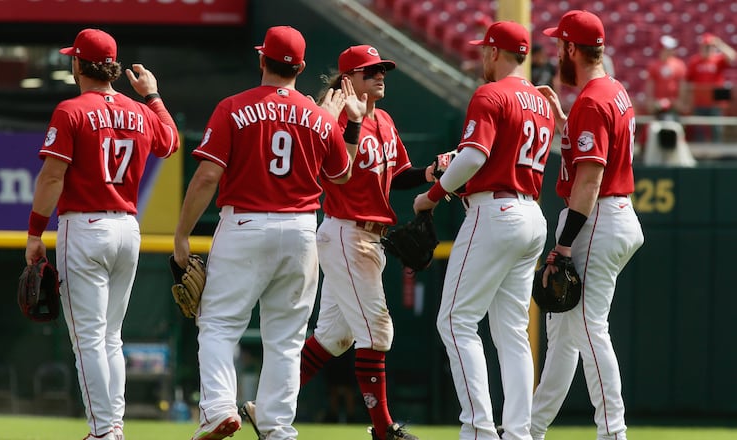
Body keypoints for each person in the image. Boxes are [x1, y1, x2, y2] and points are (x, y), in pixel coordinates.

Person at [172, 25, 362, 440]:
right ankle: (277, 427)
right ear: (303, 67)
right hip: (299, 230)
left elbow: (206, 176)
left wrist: (183, 233)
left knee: (220, 324)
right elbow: (342, 175)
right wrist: (336, 125)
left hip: (244, 224)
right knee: (288, 337)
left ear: (262, 60)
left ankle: (219, 408)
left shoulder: (233, 107)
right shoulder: (318, 116)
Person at [242, 43, 433, 440]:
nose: (381, 75)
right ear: (349, 80)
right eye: (370, 71)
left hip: (369, 238)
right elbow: (329, 171)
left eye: (382, 69)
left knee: (335, 337)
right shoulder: (335, 120)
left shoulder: (385, 121)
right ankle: (383, 429)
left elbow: (396, 175)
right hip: (347, 232)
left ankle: (266, 407)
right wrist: (350, 124)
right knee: (378, 333)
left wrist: (431, 172)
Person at [24, 28, 180, 440]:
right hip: (128, 229)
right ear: (112, 67)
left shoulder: (72, 110)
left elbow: (52, 177)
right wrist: (153, 95)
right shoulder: (141, 111)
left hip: (85, 227)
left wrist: (34, 232)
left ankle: (103, 431)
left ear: (77, 64)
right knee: (111, 337)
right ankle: (114, 426)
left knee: (89, 340)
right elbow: (170, 143)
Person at [413, 21, 554, 440]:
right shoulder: (541, 102)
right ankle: (517, 432)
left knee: (455, 321)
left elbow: (475, 156)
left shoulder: (490, 93)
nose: (480, 57)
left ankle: (478, 430)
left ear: (495, 52)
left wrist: (433, 195)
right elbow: (488, 154)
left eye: (484, 50)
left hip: (496, 213)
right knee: (512, 331)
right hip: (531, 214)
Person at [531, 10, 644, 440]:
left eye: (559, 44)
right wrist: (563, 119)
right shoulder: (612, 91)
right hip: (612, 214)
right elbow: (591, 150)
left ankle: (613, 432)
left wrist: (563, 245)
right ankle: (529, 429)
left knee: (587, 328)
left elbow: (591, 177)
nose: (556, 51)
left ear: (571, 49)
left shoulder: (594, 101)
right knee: (563, 334)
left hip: (597, 217)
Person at [682, 32, 736, 142]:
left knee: (716, 129)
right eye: (705, 46)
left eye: (710, 46)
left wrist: (719, 44)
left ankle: (717, 154)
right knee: (699, 130)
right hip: (699, 102)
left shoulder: (717, 60)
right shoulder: (695, 61)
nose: (707, 49)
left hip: (715, 103)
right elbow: (686, 82)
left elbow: (732, 57)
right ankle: (701, 155)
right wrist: (686, 101)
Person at [644, 35, 687, 120]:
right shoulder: (654, 65)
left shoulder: (679, 65)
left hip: (674, 104)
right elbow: (650, 86)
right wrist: (651, 103)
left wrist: (680, 102)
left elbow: (682, 85)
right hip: (658, 105)